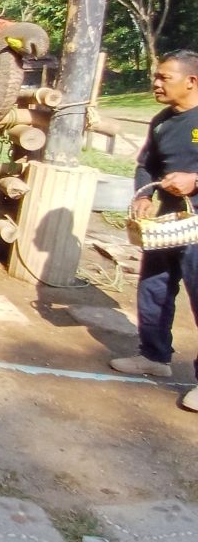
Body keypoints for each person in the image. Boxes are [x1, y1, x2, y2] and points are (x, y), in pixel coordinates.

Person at [109, 50, 198, 413]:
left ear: (191, 81)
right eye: (156, 76)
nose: (156, 83)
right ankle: (154, 355)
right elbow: (147, 165)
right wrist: (143, 197)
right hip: (169, 223)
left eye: (165, 78)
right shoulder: (162, 121)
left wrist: (195, 180)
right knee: (154, 287)